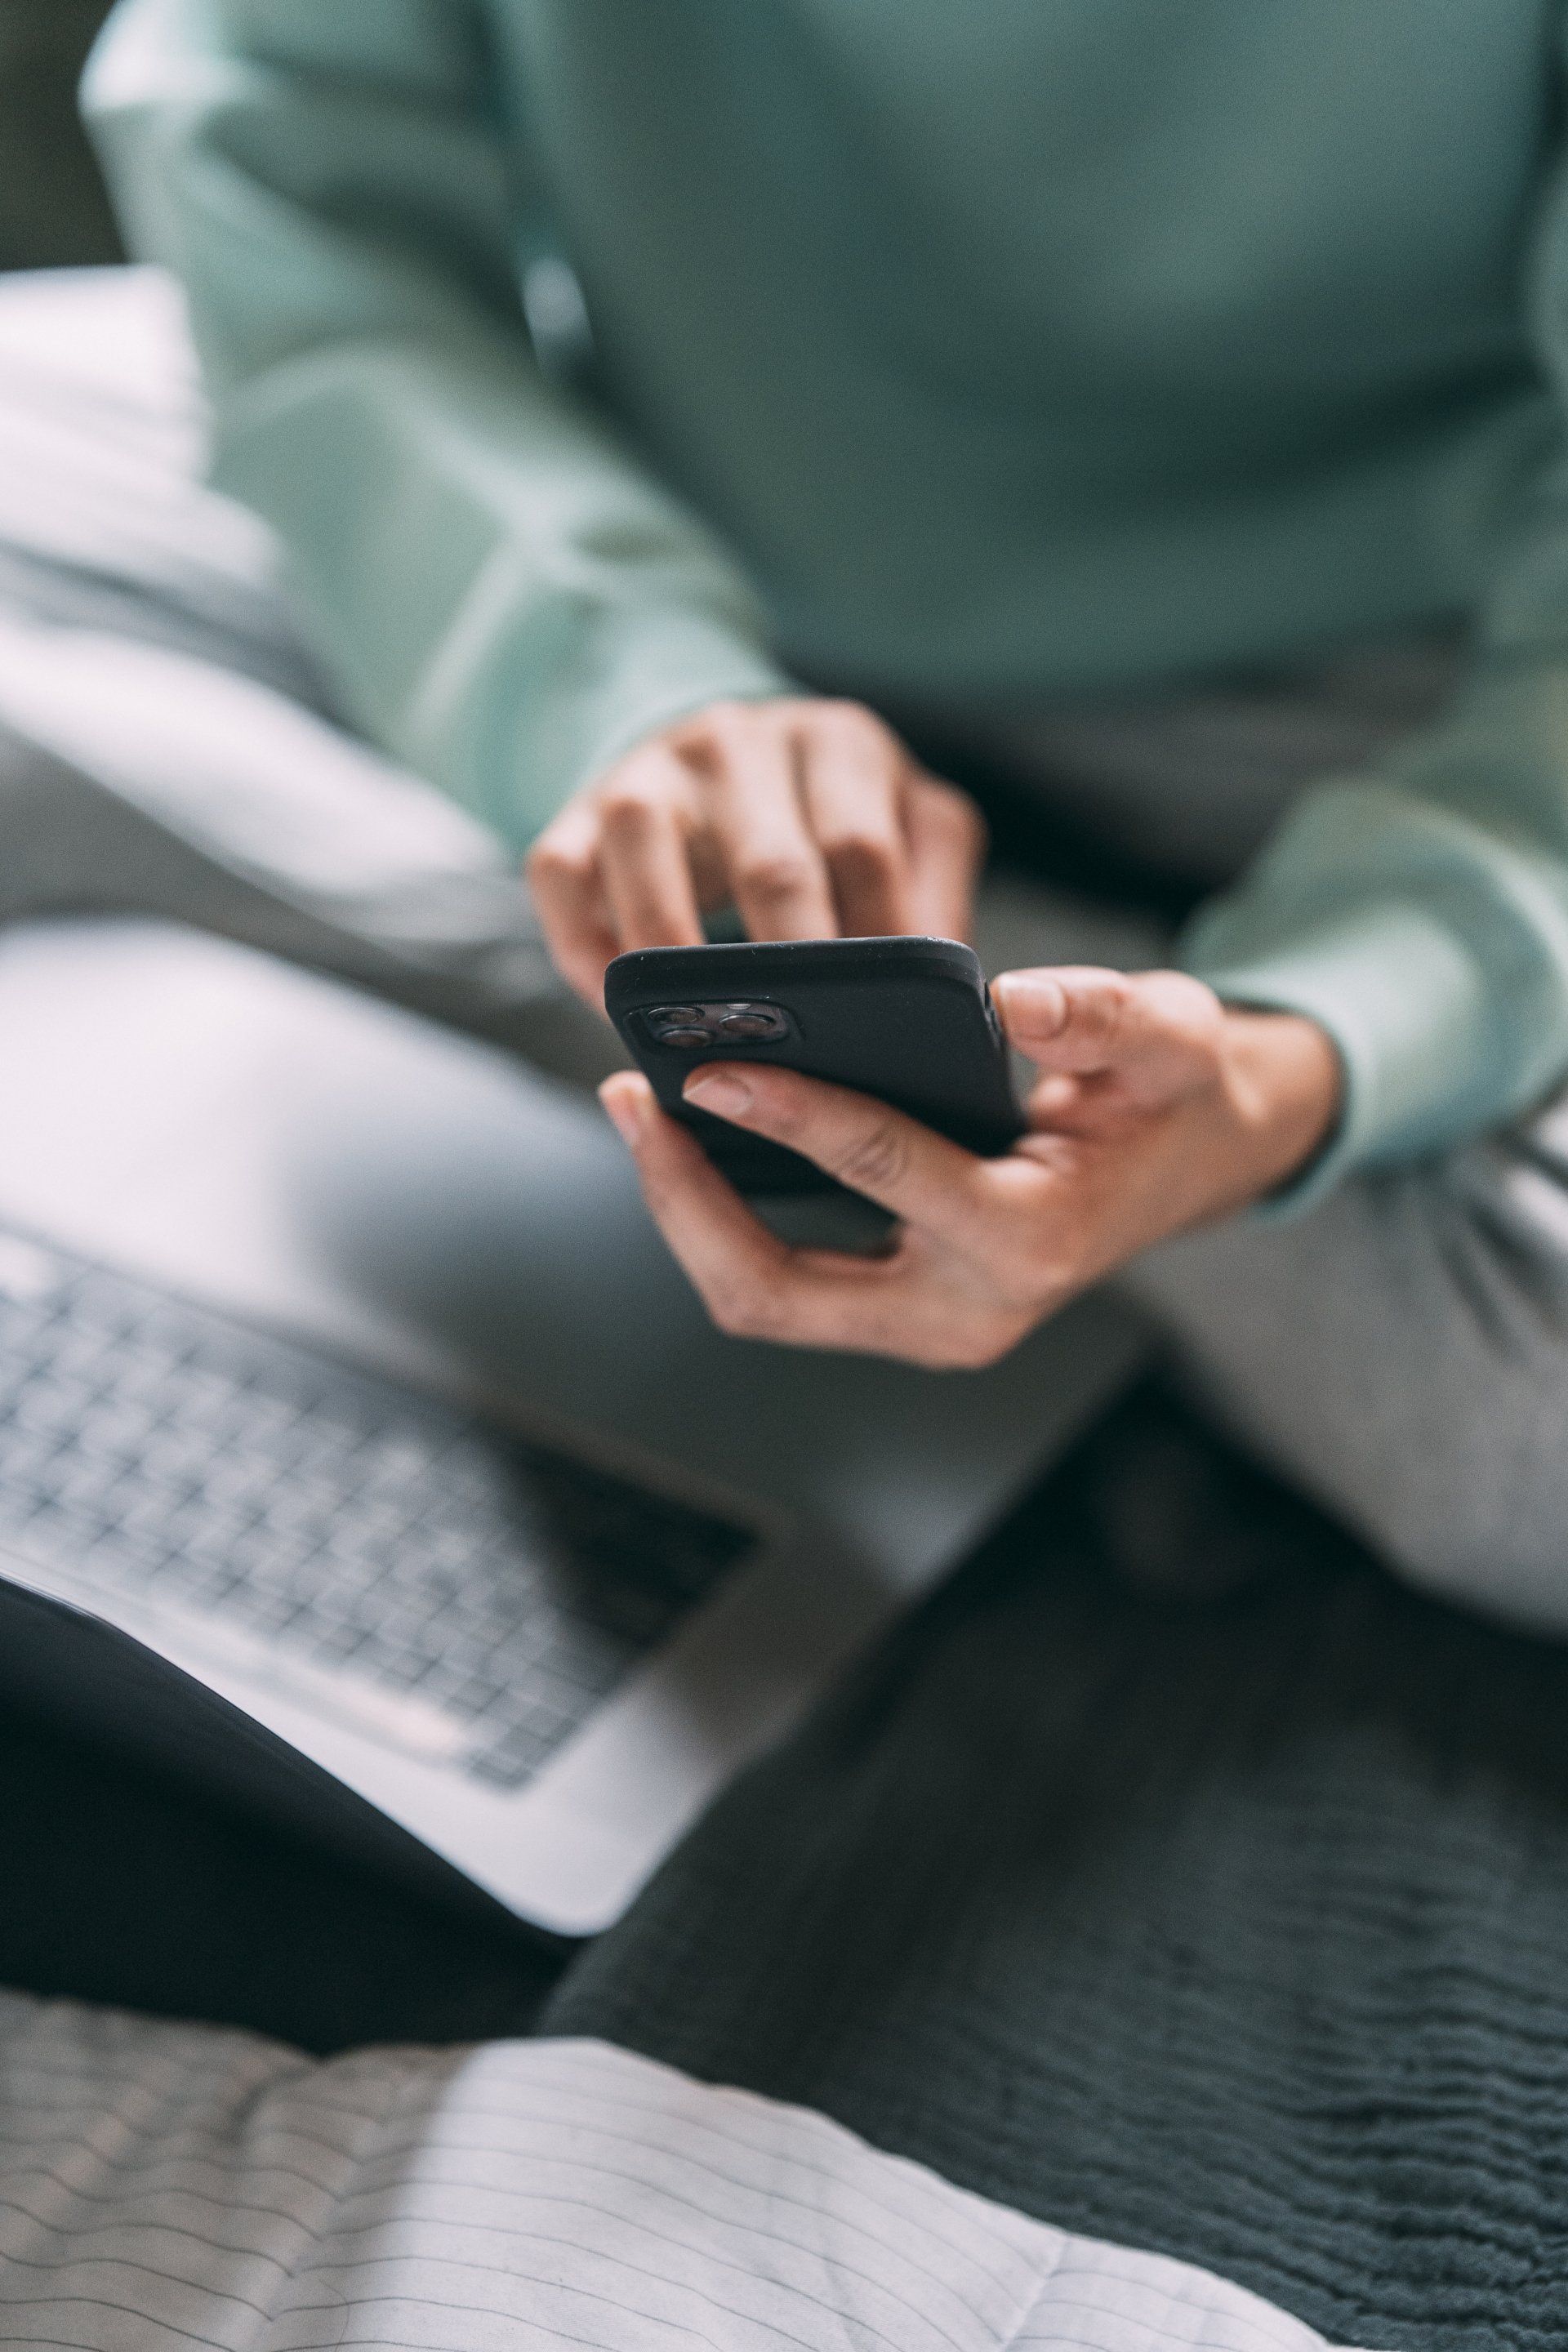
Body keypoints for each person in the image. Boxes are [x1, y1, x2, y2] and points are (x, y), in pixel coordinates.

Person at [78, 2, 1568, 1627]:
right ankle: (949, 1068)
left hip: (1409, 668)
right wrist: (618, 687)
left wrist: (1306, 1053)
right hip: (631, 527)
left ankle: (797, 1020)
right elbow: (267, 140)